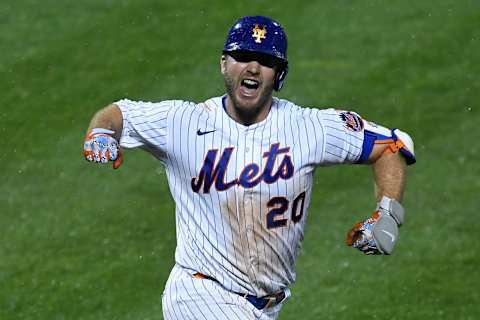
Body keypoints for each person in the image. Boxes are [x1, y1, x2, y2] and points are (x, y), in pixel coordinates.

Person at [83, 15, 416, 320]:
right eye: (243, 57)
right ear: (224, 64)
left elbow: (390, 147)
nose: (253, 68)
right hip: (197, 295)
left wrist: (388, 215)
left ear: (280, 73)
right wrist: (100, 132)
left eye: (266, 61)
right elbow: (118, 114)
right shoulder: (182, 122)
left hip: (266, 306)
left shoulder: (309, 128)